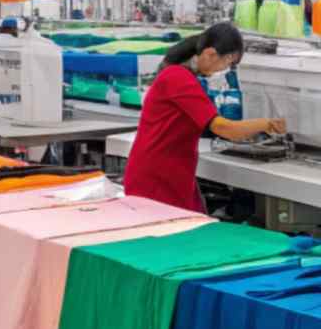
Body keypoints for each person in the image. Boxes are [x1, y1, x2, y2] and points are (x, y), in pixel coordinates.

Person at [122, 23, 286, 213]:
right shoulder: (178, 78)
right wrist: (266, 123)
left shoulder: (180, 75)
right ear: (210, 54)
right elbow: (225, 129)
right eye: (227, 63)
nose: (225, 69)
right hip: (156, 180)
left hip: (173, 173)